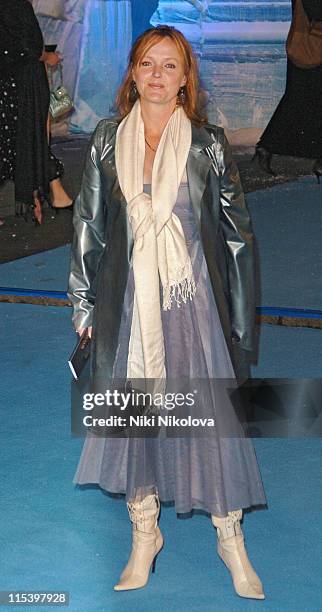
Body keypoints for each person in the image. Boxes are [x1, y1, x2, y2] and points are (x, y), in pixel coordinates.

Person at [68, 26, 267, 599]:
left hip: (193, 302)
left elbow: (236, 236)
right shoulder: (108, 138)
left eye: (169, 66)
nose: (157, 74)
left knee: (210, 418)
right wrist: (82, 304)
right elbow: (89, 223)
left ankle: (230, 536)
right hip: (128, 304)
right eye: (146, 63)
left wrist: (239, 318)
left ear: (185, 80)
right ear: (133, 73)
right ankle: (144, 531)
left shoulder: (207, 142)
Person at [0, 0, 72, 225]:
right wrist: (46, 57)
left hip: (15, 81)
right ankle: (49, 195)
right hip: (21, 84)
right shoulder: (15, 5)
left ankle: (55, 194)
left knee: (24, 140)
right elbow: (28, 46)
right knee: (27, 139)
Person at [254, 0, 322, 181]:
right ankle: (267, 146)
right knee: (302, 100)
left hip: (306, 46)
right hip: (312, 46)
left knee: (298, 100)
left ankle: (266, 147)